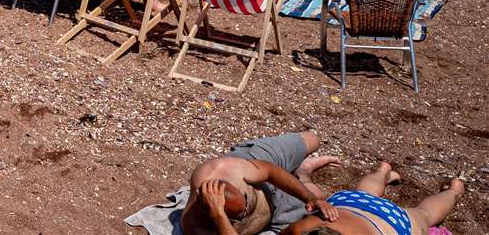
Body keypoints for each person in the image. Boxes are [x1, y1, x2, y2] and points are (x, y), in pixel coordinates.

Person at [181, 129, 341, 235]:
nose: (245, 212)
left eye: (245, 199)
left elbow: (271, 172)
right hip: (277, 210)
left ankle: (299, 166)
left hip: (257, 161)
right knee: (320, 197)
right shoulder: (195, 225)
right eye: (241, 215)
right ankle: (303, 172)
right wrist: (218, 216)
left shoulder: (226, 168)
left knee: (312, 139)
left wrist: (311, 198)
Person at [283, 169, 464, 235]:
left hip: (389, 222)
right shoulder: (299, 229)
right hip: (351, 205)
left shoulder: (297, 230)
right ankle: (454, 190)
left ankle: (454, 192)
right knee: (424, 213)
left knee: (426, 214)